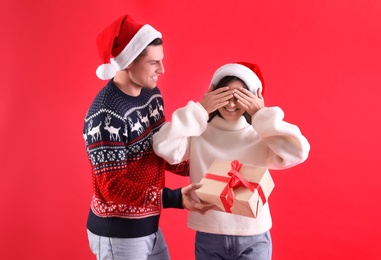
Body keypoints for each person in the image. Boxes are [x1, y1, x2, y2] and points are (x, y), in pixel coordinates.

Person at [83, 14, 210, 260]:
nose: (162, 70)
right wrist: (174, 198)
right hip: (118, 235)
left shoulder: (151, 96)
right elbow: (111, 187)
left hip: (148, 225)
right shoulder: (104, 115)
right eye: (154, 63)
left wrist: (204, 165)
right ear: (129, 62)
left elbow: (159, 151)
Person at [153, 62, 311, 259]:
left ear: (253, 97)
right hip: (210, 235)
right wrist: (200, 110)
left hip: (254, 236)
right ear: (213, 92)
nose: (231, 104)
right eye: (225, 95)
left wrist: (262, 115)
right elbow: (162, 146)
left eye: (240, 97)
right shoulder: (198, 132)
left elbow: (298, 152)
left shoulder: (260, 134)